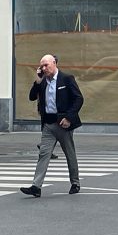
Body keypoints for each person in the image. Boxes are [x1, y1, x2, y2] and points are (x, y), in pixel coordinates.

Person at [21, 55, 84, 198]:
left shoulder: (66, 79)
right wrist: (37, 81)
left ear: (54, 63)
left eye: (46, 65)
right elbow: (31, 97)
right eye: (41, 66)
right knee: (43, 154)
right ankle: (36, 186)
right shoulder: (42, 82)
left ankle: (75, 182)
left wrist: (69, 117)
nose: (44, 68)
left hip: (63, 123)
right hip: (48, 124)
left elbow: (79, 98)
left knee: (69, 153)